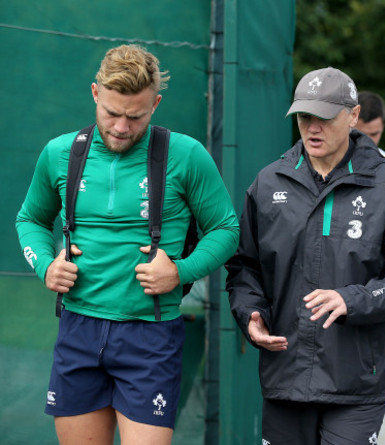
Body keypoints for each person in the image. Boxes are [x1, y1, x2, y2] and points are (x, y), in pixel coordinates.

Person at [15, 44, 240, 445]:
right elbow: (29, 218)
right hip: (78, 329)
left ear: (155, 104)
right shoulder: (61, 153)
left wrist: (180, 271)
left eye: (135, 116)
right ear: (95, 93)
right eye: (112, 113)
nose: (121, 127)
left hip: (150, 336)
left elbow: (226, 228)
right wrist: (46, 265)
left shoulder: (186, 155)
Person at [225, 66, 385, 444]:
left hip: (357, 379)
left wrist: (353, 299)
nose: (312, 128)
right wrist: (250, 314)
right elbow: (245, 267)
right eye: (304, 117)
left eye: (324, 117)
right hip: (284, 375)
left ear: (353, 115)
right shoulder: (269, 181)